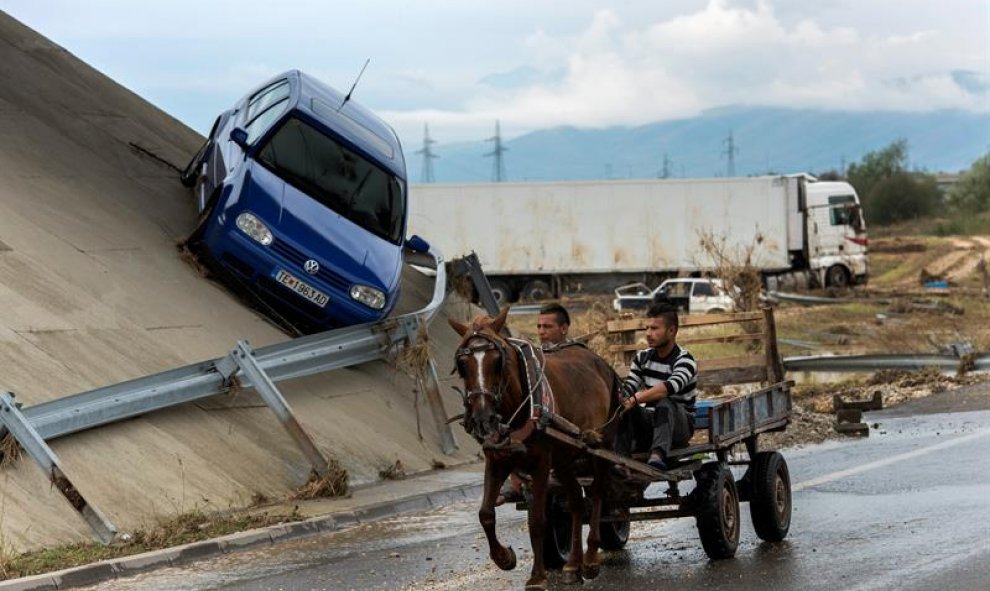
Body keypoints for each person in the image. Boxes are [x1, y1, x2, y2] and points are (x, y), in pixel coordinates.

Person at [495, 303, 572, 506]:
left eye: (547, 327)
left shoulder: (575, 357)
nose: (541, 332)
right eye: (539, 327)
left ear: (564, 329)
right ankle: (514, 477)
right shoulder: (533, 358)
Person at [615, 297, 697, 471]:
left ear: (671, 330)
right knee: (626, 408)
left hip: (680, 426)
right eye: (646, 328)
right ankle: (620, 460)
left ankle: (658, 454)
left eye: (654, 328)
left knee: (664, 401)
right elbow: (630, 386)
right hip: (652, 421)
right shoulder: (642, 358)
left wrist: (637, 398)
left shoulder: (685, 360)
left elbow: (669, 388)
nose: (648, 333)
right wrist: (621, 398)